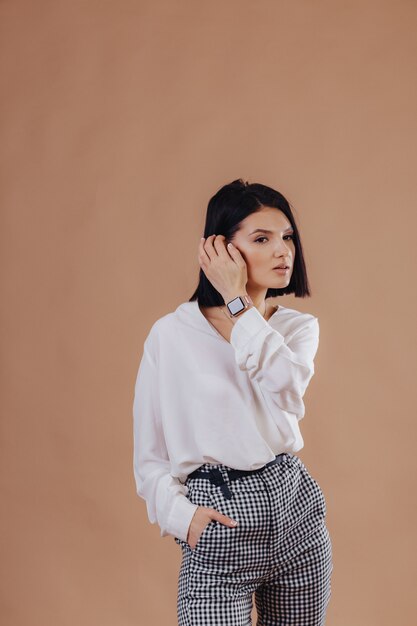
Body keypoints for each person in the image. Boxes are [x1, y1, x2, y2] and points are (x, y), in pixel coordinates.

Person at [133, 179, 333, 625]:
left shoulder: (297, 328)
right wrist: (184, 521)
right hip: (222, 518)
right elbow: (149, 457)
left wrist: (238, 303)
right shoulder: (171, 335)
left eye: (287, 237)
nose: (283, 251)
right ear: (220, 250)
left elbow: (287, 388)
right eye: (262, 239)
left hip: (295, 510)